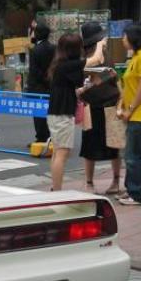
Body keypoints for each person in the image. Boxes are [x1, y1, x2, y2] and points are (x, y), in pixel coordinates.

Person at [47, 32, 105, 191]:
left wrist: (93, 84)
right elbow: (97, 59)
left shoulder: (61, 64)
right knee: (62, 154)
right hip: (62, 114)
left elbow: (74, 91)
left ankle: (55, 189)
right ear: (74, 49)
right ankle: (57, 192)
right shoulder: (68, 65)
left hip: (56, 113)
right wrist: (100, 44)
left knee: (58, 153)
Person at [79, 21, 121, 195]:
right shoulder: (85, 58)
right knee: (90, 147)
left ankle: (116, 181)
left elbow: (109, 75)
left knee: (114, 145)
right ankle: (89, 183)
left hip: (109, 103)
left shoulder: (105, 53)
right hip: (92, 106)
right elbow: (89, 70)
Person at [117, 24, 141, 205]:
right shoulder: (136, 55)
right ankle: (132, 190)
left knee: (134, 156)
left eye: (125, 36)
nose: (122, 39)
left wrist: (130, 109)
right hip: (134, 113)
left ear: (134, 37)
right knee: (133, 155)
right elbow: (131, 85)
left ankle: (139, 195)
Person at [27, 22, 55, 144]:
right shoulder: (53, 48)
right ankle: (50, 136)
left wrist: (43, 80)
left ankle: (41, 138)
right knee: (49, 112)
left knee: (38, 113)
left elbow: (34, 71)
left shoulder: (34, 50)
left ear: (37, 34)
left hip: (37, 86)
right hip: (50, 85)